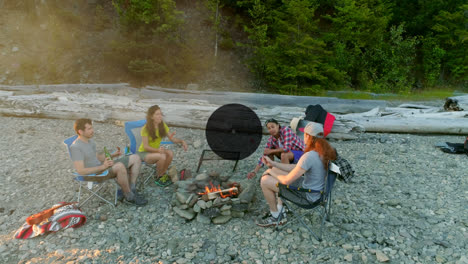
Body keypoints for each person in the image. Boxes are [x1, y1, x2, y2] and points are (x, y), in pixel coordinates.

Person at [256, 122, 336, 227]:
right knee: (275, 170)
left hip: (307, 197)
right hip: (317, 192)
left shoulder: (309, 156)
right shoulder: (326, 152)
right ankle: (281, 209)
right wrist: (273, 164)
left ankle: (276, 216)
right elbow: (297, 168)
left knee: (265, 180)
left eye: (304, 134)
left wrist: (270, 171)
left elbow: (286, 181)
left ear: (308, 136)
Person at [70, 118, 148, 206]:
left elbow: (99, 157)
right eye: (89, 129)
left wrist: (113, 155)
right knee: (119, 166)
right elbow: (81, 171)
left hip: (102, 168)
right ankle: (129, 196)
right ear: (80, 131)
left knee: (135, 158)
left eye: (92, 128)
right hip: (93, 175)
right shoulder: (76, 147)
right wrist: (103, 167)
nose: (92, 131)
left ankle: (132, 189)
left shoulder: (89, 141)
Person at [138, 105, 188, 179]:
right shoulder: (145, 129)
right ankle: (159, 177)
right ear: (151, 117)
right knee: (162, 156)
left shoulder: (162, 125)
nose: (160, 116)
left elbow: (172, 139)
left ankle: (162, 173)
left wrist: (182, 141)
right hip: (144, 153)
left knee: (170, 153)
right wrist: (158, 150)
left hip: (155, 151)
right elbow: (146, 147)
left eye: (161, 114)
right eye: (157, 114)